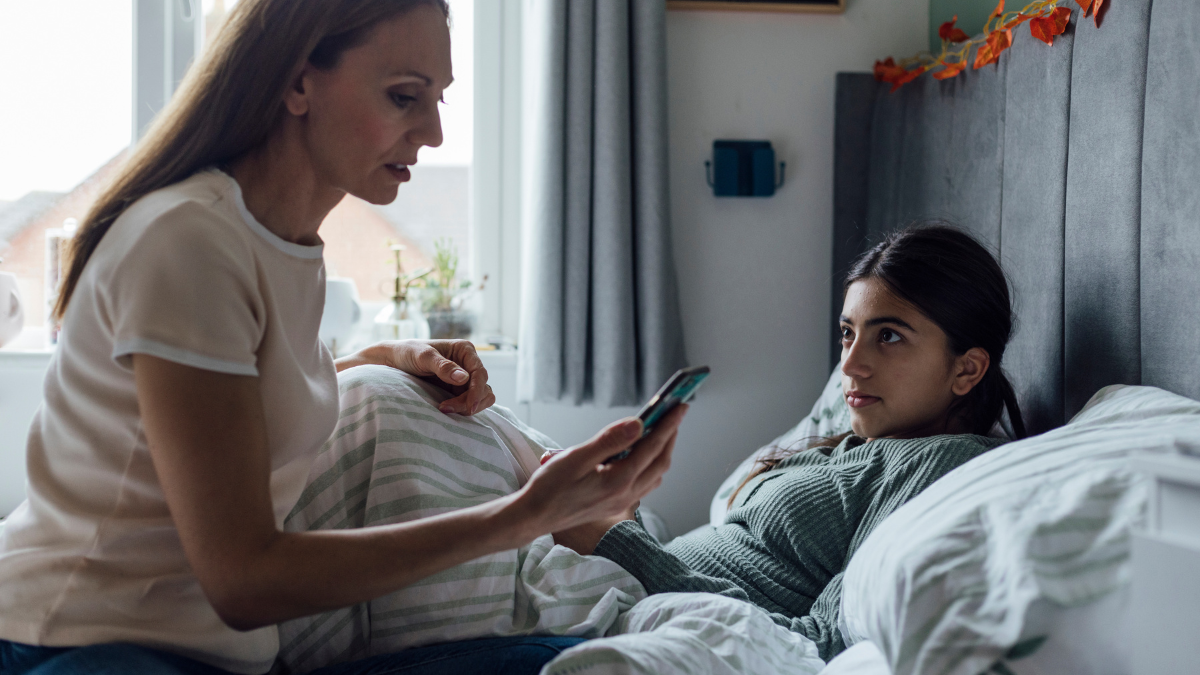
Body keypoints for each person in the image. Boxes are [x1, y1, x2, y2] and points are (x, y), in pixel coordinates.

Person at [0, 1, 684, 674]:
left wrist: (378, 359)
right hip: (79, 641)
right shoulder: (189, 243)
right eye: (403, 96)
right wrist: (526, 514)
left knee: (622, 661)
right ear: (298, 81)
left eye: (439, 98)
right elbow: (243, 580)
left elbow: (235, 402)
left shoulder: (283, 247)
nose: (435, 133)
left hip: (220, 656)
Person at [553, 225, 1028, 662]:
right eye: (847, 333)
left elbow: (815, 642)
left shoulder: (943, 464)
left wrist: (617, 542)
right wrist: (621, 518)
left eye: (889, 336)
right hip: (617, 569)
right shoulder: (867, 442)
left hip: (619, 599)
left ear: (967, 369)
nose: (850, 364)